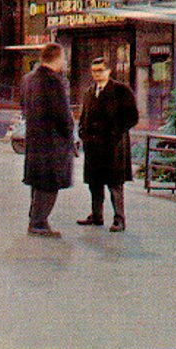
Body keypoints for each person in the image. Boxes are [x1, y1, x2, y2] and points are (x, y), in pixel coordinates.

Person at [76, 56, 140, 232]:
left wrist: (116, 133)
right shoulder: (90, 92)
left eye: (100, 70)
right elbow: (84, 115)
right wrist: (82, 131)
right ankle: (97, 215)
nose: (97, 74)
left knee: (115, 184)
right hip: (93, 146)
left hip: (113, 147)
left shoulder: (121, 90)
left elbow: (132, 117)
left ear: (109, 71)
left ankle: (119, 219)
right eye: (94, 71)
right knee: (94, 183)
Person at [21, 42, 75, 237]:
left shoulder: (28, 79)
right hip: (53, 143)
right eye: (64, 58)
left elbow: (23, 106)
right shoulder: (54, 81)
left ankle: (35, 218)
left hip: (35, 140)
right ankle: (39, 223)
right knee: (50, 183)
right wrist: (69, 135)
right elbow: (63, 115)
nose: (64, 62)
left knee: (38, 182)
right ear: (57, 58)